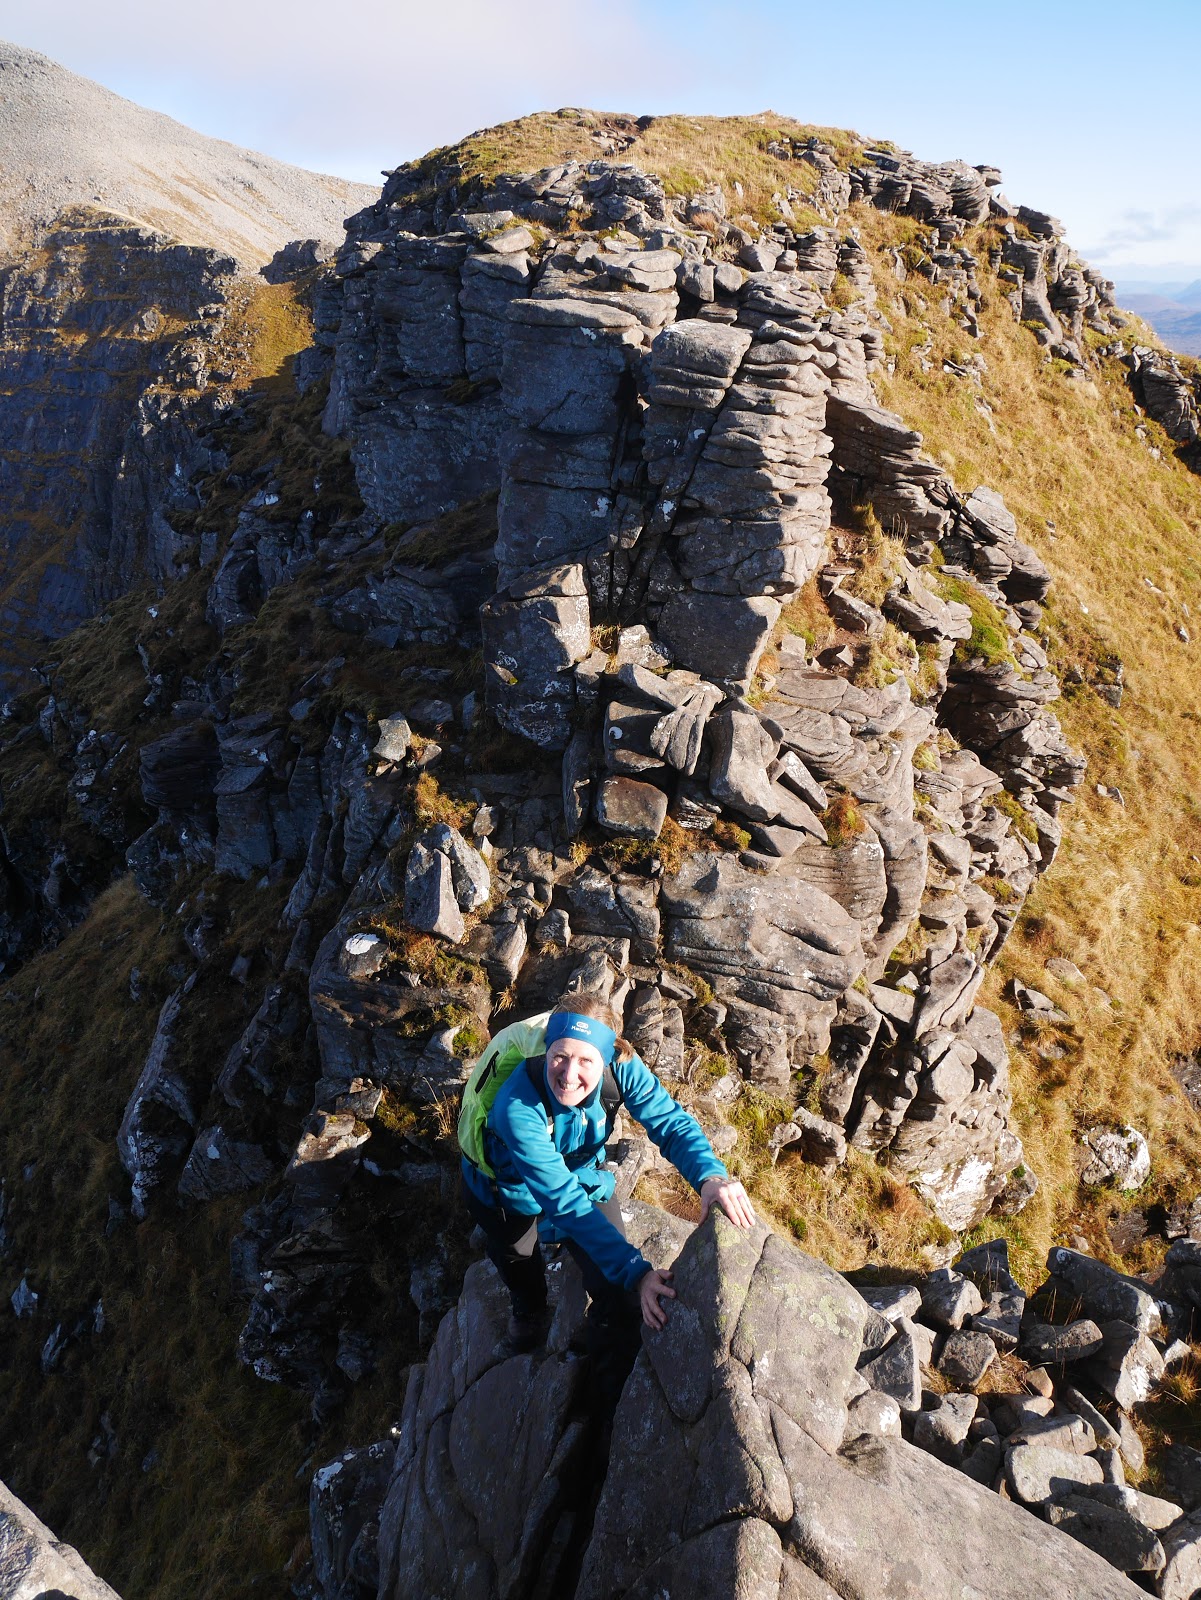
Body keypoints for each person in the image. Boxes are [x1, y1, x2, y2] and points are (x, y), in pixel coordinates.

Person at [458, 994, 756, 1374]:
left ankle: (597, 1370)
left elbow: (669, 1122)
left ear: (608, 1057)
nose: (568, 1074)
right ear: (545, 1051)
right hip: (505, 1188)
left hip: (580, 1174)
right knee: (517, 1254)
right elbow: (562, 1201)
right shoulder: (516, 1106)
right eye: (559, 1057)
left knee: (620, 1295)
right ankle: (529, 1309)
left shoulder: (623, 1068)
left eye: (585, 1061)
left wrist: (711, 1177)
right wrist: (638, 1270)